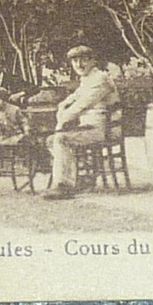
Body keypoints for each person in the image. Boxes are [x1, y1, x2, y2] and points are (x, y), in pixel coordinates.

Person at [42, 44, 119, 200]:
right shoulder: (87, 79)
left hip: (102, 129)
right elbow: (74, 98)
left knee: (61, 138)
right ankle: (79, 176)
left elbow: (82, 104)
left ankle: (64, 185)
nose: (79, 65)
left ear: (93, 61)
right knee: (51, 140)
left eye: (83, 60)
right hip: (89, 128)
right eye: (75, 61)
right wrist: (62, 106)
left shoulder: (100, 79)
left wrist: (62, 118)